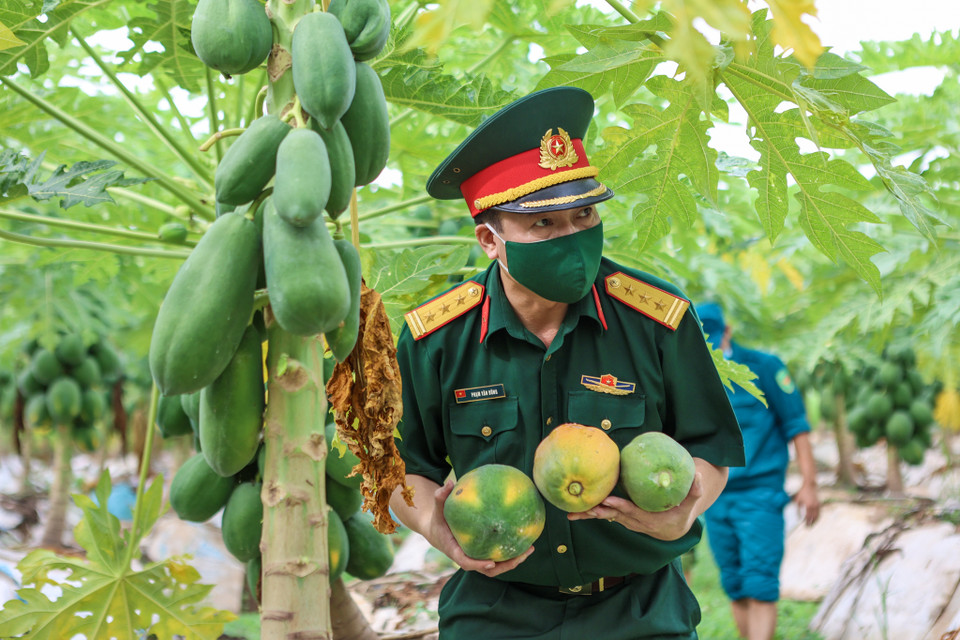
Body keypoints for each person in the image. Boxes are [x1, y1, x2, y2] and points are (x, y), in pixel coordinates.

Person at [388, 86, 745, 640]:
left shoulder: (656, 318)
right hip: (496, 612)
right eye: (544, 226)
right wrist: (435, 527)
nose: (573, 238)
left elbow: (709, 446)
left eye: (583, 216)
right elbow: (400, 469)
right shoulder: (437, 338)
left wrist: (686, 508)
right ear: (490, 239)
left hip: (639, 611)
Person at [694, 302, 821, 640]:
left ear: (729, 331)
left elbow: (798, 426)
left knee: (760, 582)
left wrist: (810, 484)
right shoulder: (696, 374)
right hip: (716, 497)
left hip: (760, 494)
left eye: (715, 338)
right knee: (734, 583)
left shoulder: (765, 367)